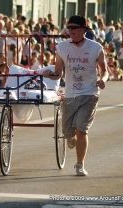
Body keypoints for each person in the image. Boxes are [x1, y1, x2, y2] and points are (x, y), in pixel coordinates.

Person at [43, 15, 108, 176]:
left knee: (82, 130)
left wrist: (103, 80)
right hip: (70, 95)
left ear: (83, 30)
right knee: (67, 133)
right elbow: (58, 73)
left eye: (74, 28)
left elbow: (104, 70)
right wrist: (49, 74)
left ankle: (80, 165)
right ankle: (70, 137)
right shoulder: (62, 48)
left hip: (89, 94)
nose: (70, 31)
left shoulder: (96, 47)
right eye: (69, 28)